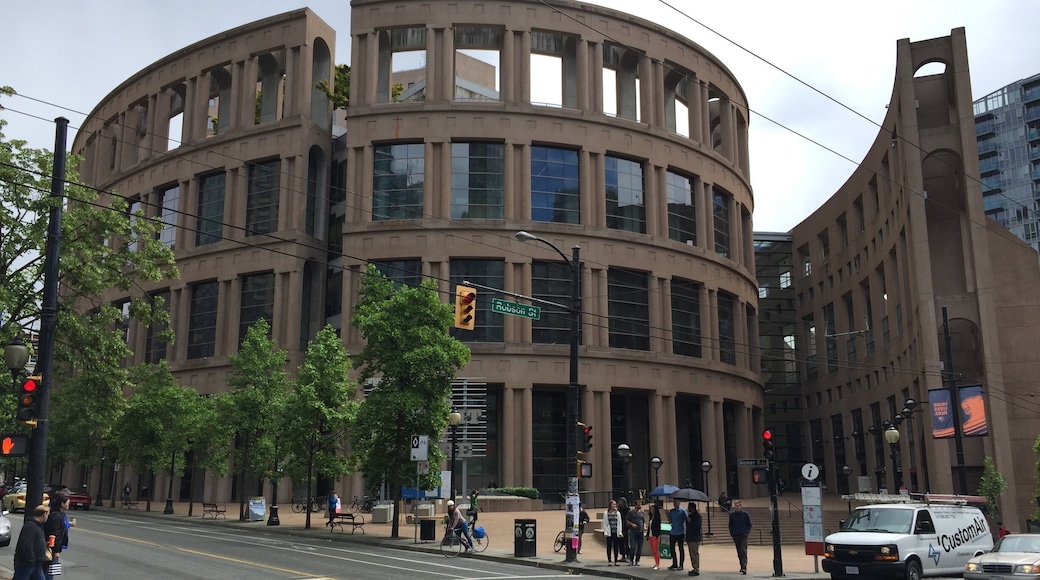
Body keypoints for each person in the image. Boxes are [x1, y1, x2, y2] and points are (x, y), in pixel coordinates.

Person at [44, 492, 75, 580]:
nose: (69, 505)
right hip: (51, 549)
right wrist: (56, 551)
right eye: (67, 503)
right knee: (49, 572)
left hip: (51, 548)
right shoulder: (56, 516)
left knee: (49, 571)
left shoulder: (59, 514)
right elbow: (54, 534)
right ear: (62, 504)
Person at [13, 504, 49, 580]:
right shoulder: (30, 526)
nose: (47, 517)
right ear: (44, 514)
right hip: (26, 563)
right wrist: (31, 559)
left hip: (36, 563)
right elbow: (26, 545)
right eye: (47, 514)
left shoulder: (38, 526)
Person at [729, 499, 752, 575]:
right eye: (735, 506)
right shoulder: (732, 515)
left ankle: (744, 567)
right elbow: (730, 525)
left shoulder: (745, 514)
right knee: (739, 551)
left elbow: (749, 524)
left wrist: (747, 532)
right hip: (736, 535)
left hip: (743, 535)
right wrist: (732, 533)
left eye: (738, 506)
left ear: (741, 506)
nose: (737, 507)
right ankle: (741, 565)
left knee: (743, 551)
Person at [668, 498, 688, 571]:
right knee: (672, 549)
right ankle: (674, 563)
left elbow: (687, 519)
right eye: (674, 502)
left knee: (681, 549)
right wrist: (668, 515)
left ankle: (681, 565)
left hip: (680, 532)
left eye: (676, 502)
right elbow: (670, 521)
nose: (674, 503)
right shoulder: (671, 511)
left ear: (679, 503)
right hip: (673, 532)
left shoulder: (683, 511)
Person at [603, 500, 624, 565]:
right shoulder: (606, 513)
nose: (614, 506)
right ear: (610, 505)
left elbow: (620, 523)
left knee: (616, 546)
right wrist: (605, 532)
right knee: (609, 546)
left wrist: (620, 532)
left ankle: (616, 560)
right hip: (609, 532)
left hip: (616, 531)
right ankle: (609, 560)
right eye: (613, 504)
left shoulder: (617, 513)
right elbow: (605, 523)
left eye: (615, 504)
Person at [625, 500, 645, 566]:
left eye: (640, 504)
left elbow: (643, 521)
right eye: (638, 504)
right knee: (633, 546)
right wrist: (632, 524)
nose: (640, 505)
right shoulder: (631, 512)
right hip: (633, 531)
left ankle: (637, 560)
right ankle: (631, 560)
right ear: (635, 505)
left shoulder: (642, 513)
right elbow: (627, 521)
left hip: (640, 532)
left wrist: (644, 526)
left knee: (640, 547)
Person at [686, 502, 703, 576]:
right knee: (691, 553)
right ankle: (694, 567)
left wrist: (690, 521)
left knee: (694, 553)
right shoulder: (690, 515)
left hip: (695, 537)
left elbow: (697, 527)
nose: (688, 508)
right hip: (690, 537)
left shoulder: (698, 516)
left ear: (692, 508)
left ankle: (696, 569)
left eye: (689, 507)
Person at [646, 502, 662, 570]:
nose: (652, 511)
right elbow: (649, 527)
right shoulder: (651, 517)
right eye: (651, 509)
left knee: (656, 550)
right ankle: (655, 562)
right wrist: (647, 535)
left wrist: (657, 535)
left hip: (655, 535)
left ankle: (658, 564)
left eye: (653, 509)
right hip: (650, 535)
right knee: (653, 550)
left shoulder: (657, 517)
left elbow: (658, 527)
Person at [617, 497, 630, 563]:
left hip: (626, 529)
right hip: (620, 528)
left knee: (627, 543)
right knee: (620, 543)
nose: (620, 503)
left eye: (622, 502)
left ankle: (628, 556)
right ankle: (623, 555)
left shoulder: (628, 510)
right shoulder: (619, 510)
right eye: (620, 501)